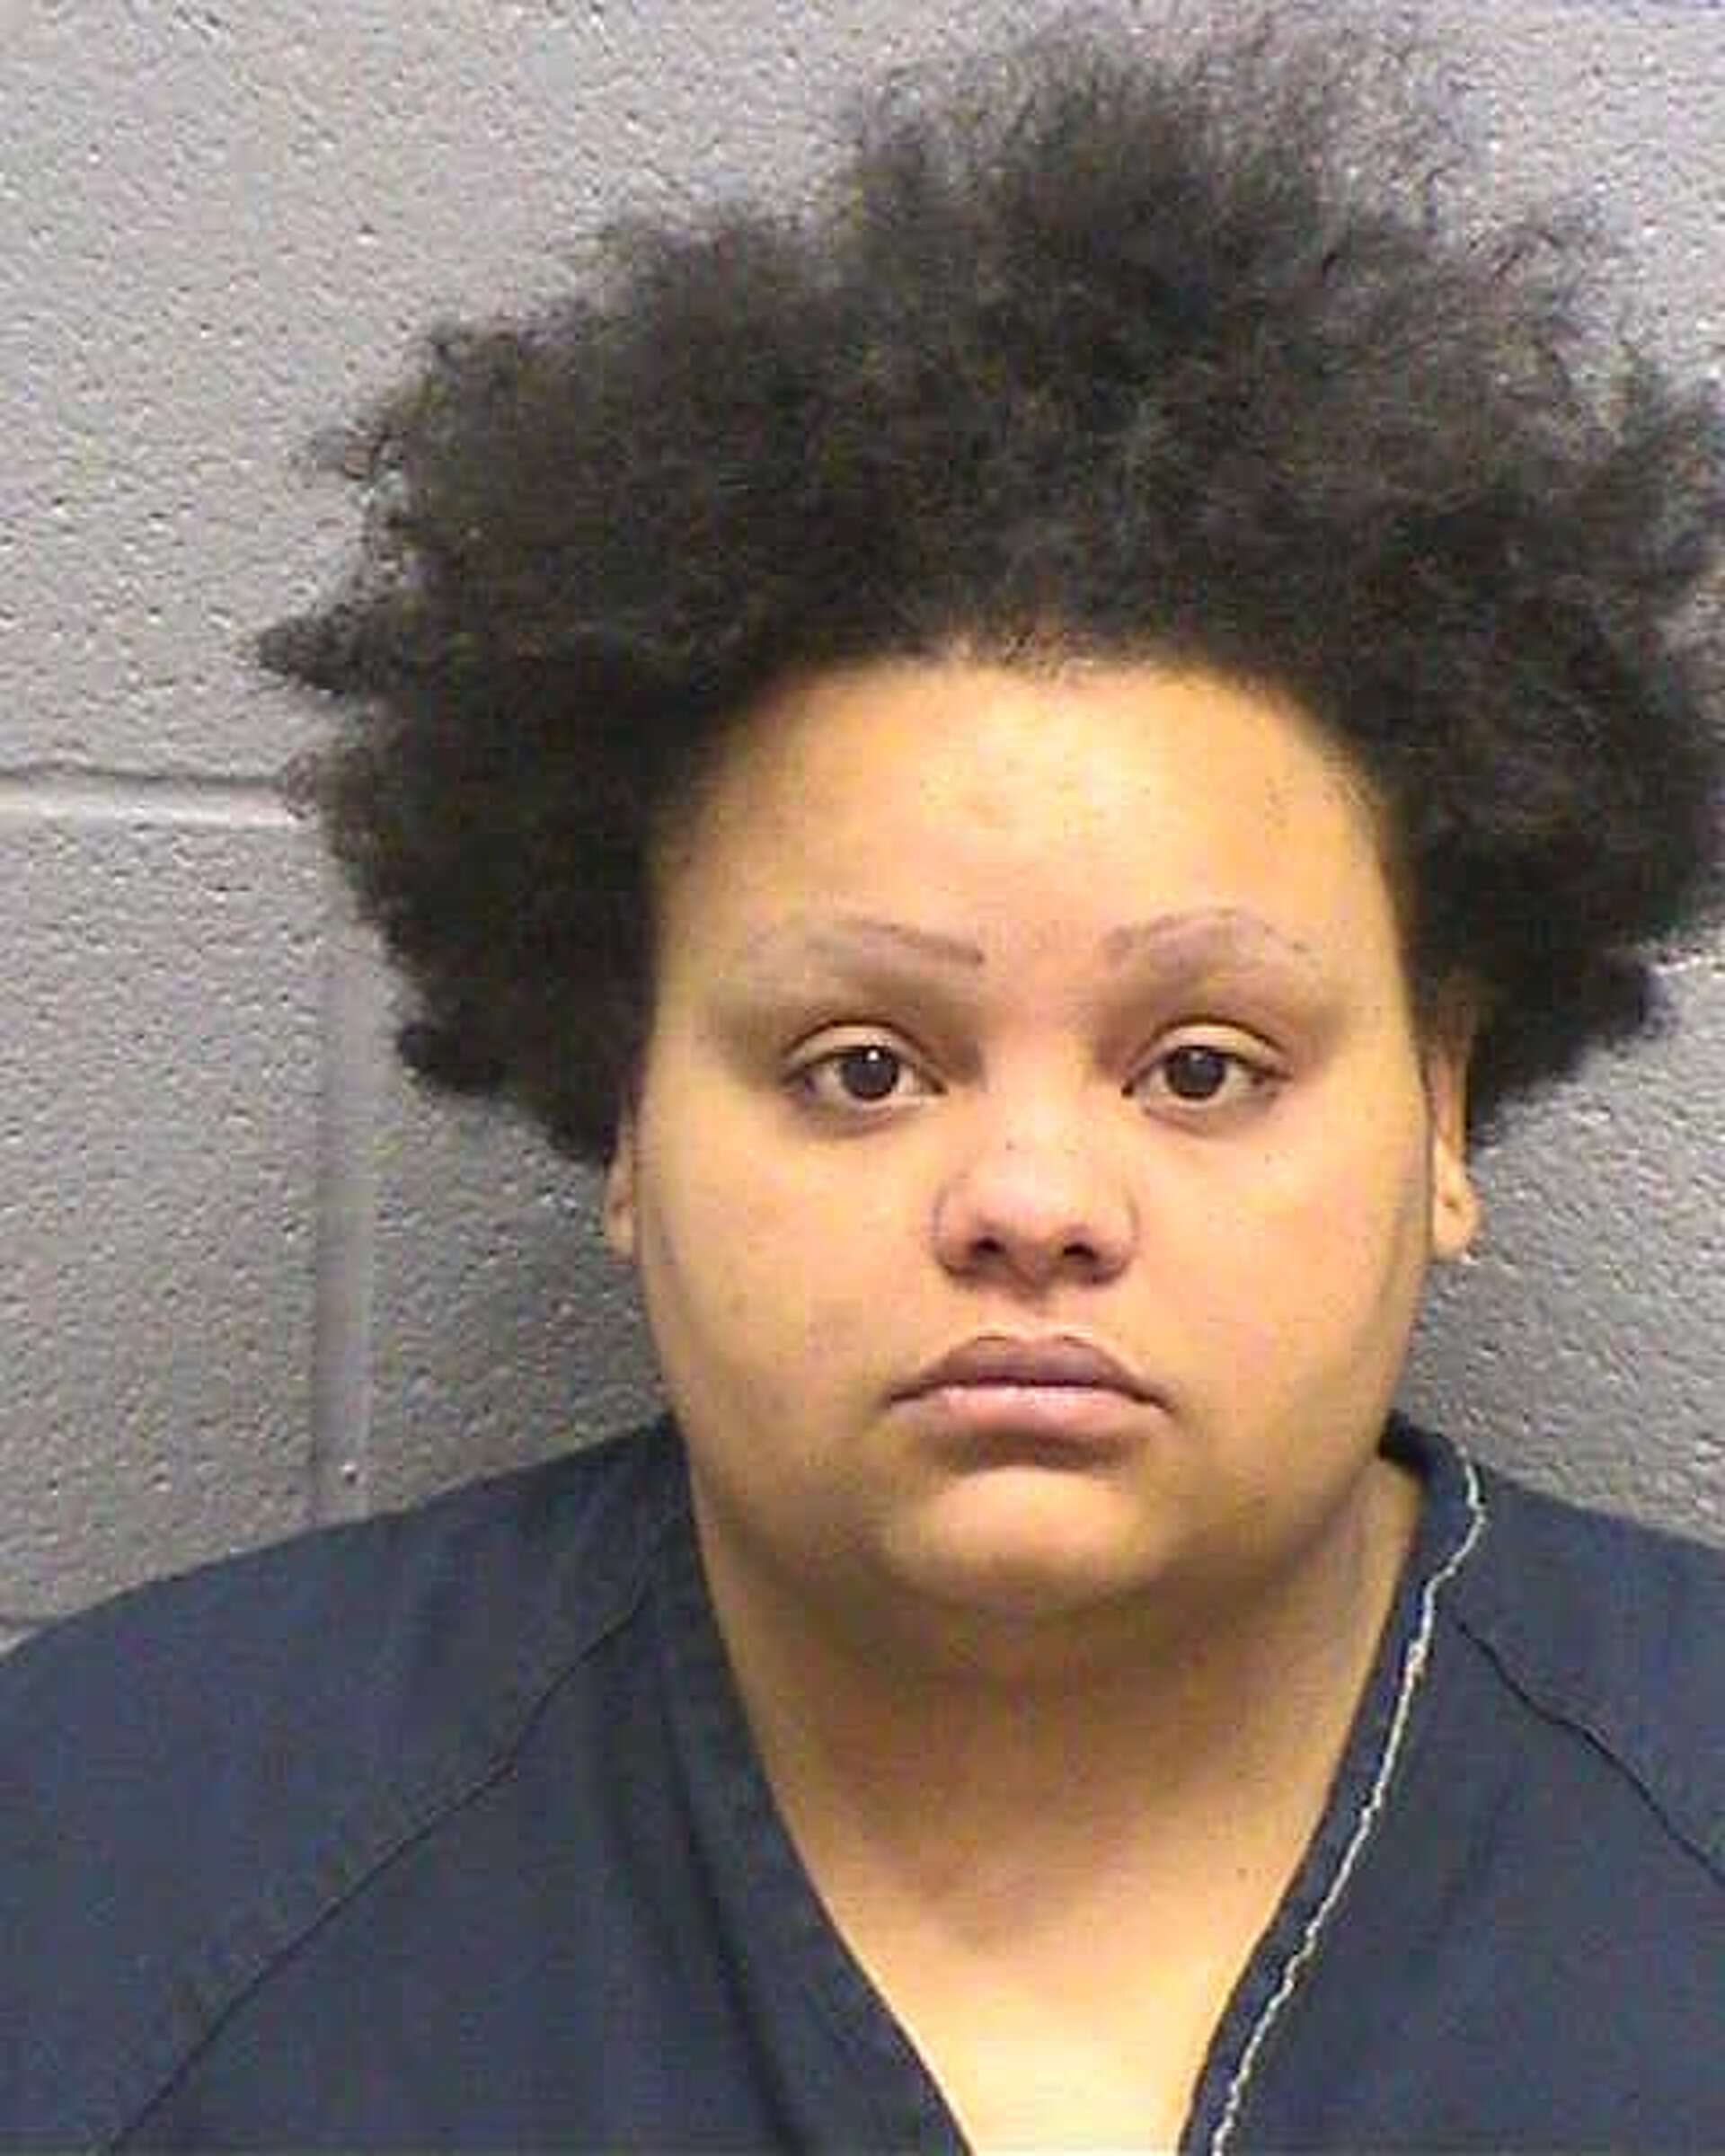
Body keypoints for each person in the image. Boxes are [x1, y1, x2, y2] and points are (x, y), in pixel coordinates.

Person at [4, 13, 1722, 2151]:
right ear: (628, 1109)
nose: (1032, 1199)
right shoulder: (106, 1874)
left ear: (1444, 1111)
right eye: (863, 1066)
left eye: (1200, 1066)